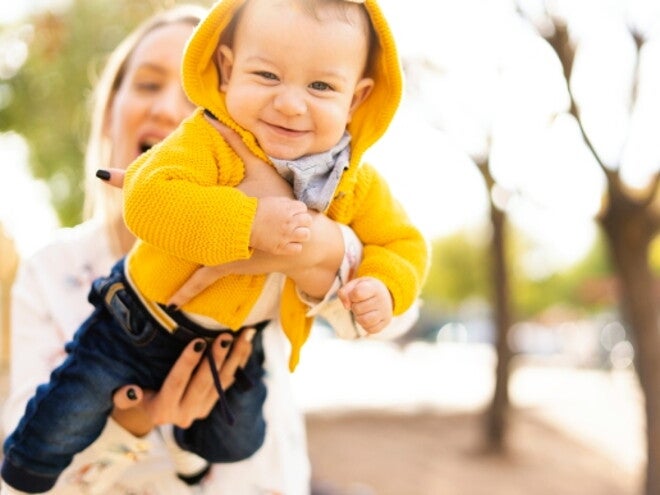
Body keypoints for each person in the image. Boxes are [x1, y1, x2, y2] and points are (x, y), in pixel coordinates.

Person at [1, 0, 429, 492]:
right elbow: (152, 197)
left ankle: (192, 455)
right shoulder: (51, 270)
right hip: (136, 323)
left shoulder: (342, 182)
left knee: (234, 438)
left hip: (240, 370)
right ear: (224, 79)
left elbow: (397, 290)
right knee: (46, 439)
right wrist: (138, 421)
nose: (169, 107)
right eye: (148, 83)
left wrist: (320, 253)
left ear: (355, 98)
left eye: (319, 85)